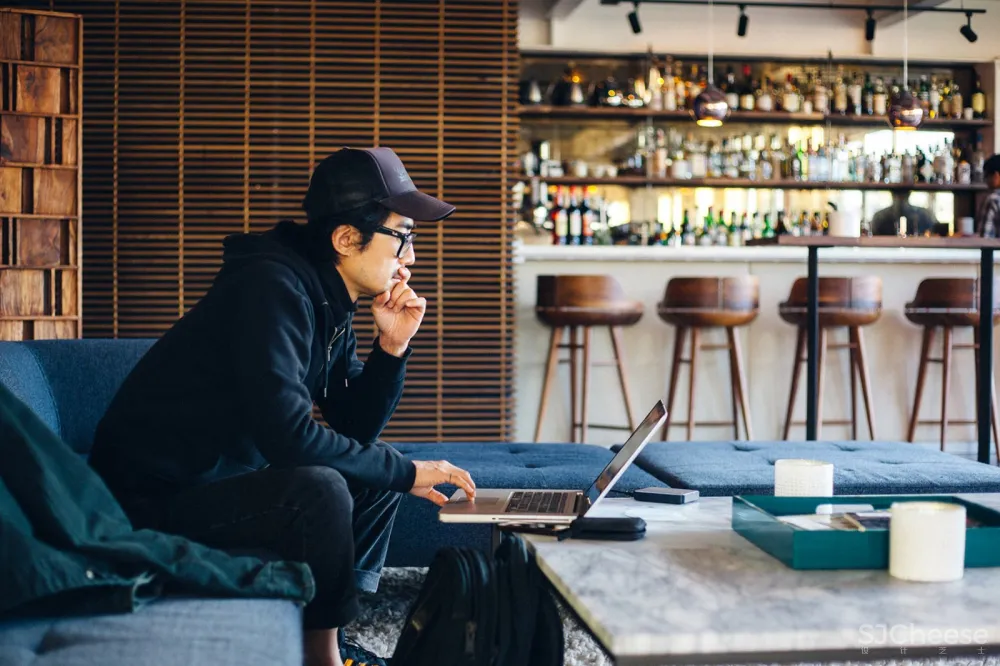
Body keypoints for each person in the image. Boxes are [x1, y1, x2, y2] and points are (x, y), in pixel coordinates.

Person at [88, 147, 477, 666]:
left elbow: (353, 424)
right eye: (402, 235)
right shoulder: (271, 287)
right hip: (148, 505)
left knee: (375, 470)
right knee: (324, 486)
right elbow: (289, 436)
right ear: (345, 239)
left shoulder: (322, 293)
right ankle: (320, 658)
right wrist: (406, 472)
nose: (411, 256)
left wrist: (391, 348)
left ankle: (335, 633)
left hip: (216, 481)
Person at [870, 189, 938, 236]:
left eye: (903, 196)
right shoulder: (879, 216)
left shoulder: (924, 214)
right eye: (898, 195)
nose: (900, 199)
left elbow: (936, 232)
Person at [976, 154, 1000, 237]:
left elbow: (986, 238)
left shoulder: (993, 199)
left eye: (987, 176)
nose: (986, 182)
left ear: (996, 175)